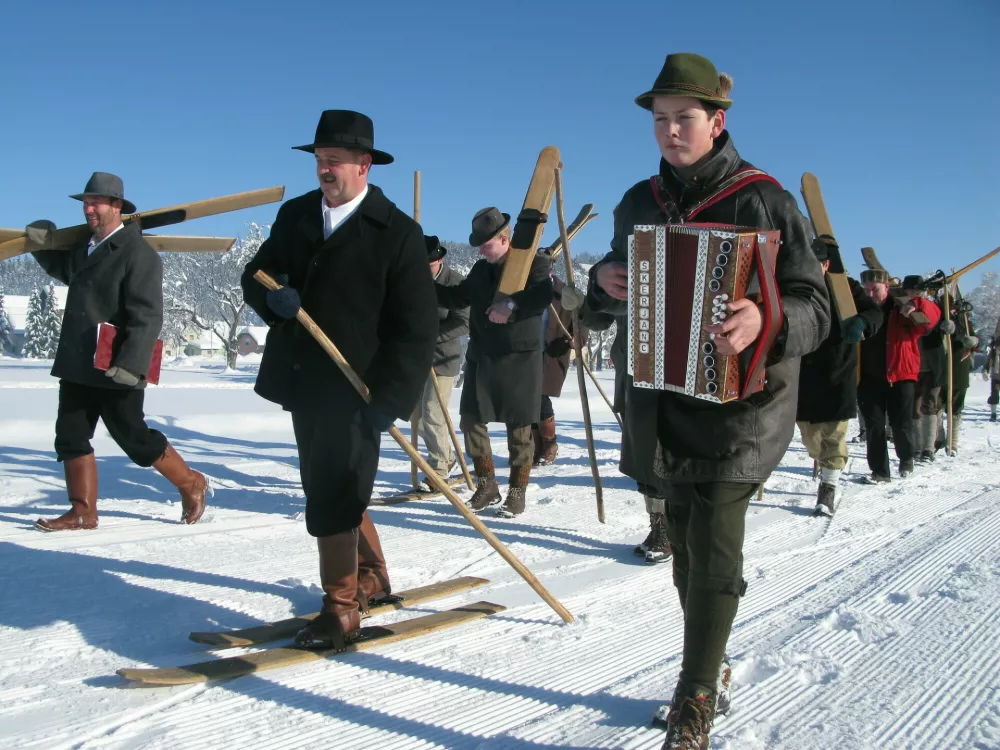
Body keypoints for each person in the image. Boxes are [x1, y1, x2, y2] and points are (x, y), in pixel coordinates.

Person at [586, 53, 830, 747]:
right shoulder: (639, 202)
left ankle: (695, 694)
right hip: (660, 396)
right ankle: (712, 659)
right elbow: (604, 298)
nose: (669, 132)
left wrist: (764, 319)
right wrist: (604, 281)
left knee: (716, 546)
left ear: (717, 121)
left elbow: (816, 306)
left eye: (682, 119)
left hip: (742, 404)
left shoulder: (765, 201)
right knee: (688, 550)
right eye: (660, 121)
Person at [241, 110, 438, 650]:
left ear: (364, 165)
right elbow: (254, 275)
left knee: (334, 488)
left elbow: (417, 330)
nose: (325, 170)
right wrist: (274, 298)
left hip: (360, 388)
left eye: (335, 161)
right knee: (328, 483)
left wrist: (393, 398)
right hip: (305, 379)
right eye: (319, 160)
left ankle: (342, 607)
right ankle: (372, 573)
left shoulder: (397, 233)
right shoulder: (297, 215)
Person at [28, 172, 209, 532]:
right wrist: (41, 244)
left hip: (116, 364)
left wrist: (131, 364)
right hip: (79, 360)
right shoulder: (87, 248)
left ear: (117, 207)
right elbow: (65, 270)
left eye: (96, 203)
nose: (89, 209)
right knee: (70, 435)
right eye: (85, 203)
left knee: (134, 438)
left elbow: (147, 315)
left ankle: (191, 482)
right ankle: (82, 512)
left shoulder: (137, 253)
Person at [436, 207, 553, 518]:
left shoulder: (533, 264)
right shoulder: (479, 270)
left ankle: (517, 493)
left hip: (519, 359)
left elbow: (543, 294)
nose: (480, 249)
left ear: (504, 239)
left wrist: (512, 304)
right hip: (482, 356)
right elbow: (457, 297)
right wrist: (422, 286)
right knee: (470, 419)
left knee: (519, 428)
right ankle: (487, 485)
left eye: (485, 244)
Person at [796, 235, 882, 515]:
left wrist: (862, 322)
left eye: (817, 264)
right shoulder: (795, 285)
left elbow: (874, 313)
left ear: (826, 264)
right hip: (802, 370)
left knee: (833, 433)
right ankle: (825, 467)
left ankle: (828, 489)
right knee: (811, 436)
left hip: (837, 368)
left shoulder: (846, 288)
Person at [857, 271, 940, 482]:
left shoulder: (902, 307)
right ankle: (880, 472)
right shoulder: (860, 309)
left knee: (901, 423)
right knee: (874, 426)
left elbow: (930, 319)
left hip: (901, 375)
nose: (870, 293)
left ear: (887, 287)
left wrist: (916, 305)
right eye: (866, 289)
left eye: (874, 289)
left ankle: (906, 459)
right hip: (868, 377)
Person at [414, 235, 469, 487]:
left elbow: (463, 322)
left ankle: (438, 471)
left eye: (429, 264)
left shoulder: (455, 283)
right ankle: (446, 458)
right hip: (417, 358)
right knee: (417, 416)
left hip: (444, 358)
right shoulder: (413, 281)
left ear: (440, 260)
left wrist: (432, 335)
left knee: (433, 413)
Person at [533, 271, 588, 466]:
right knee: (526, 399)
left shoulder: (566, 293)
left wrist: (574, 340)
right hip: (525, 353)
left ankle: (548, 443)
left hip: (552, 353)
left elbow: (581, 320)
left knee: (540, 396)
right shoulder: (524, 287)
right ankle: (533, 447)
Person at [912, 284, 951, 463]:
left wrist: (950, 326)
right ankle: (917, 448)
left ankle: (928, 448)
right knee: (914, 407)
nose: (915, 295)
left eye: (918, 292)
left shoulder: (936, 310)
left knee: (929, 405)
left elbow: (954, 332)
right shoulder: (905, 311)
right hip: (913, 366)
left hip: (933, 367)